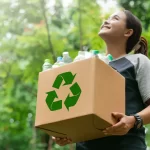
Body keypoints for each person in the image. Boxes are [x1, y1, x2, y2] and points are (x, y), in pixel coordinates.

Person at [52, 10, 150, 150]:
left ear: (128, 32)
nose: (106, 21)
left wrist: (133, 120)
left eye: (115, 18)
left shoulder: (137, 61)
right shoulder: (88, 66)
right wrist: (64, 132)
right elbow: (74, 109)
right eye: (107, 18)